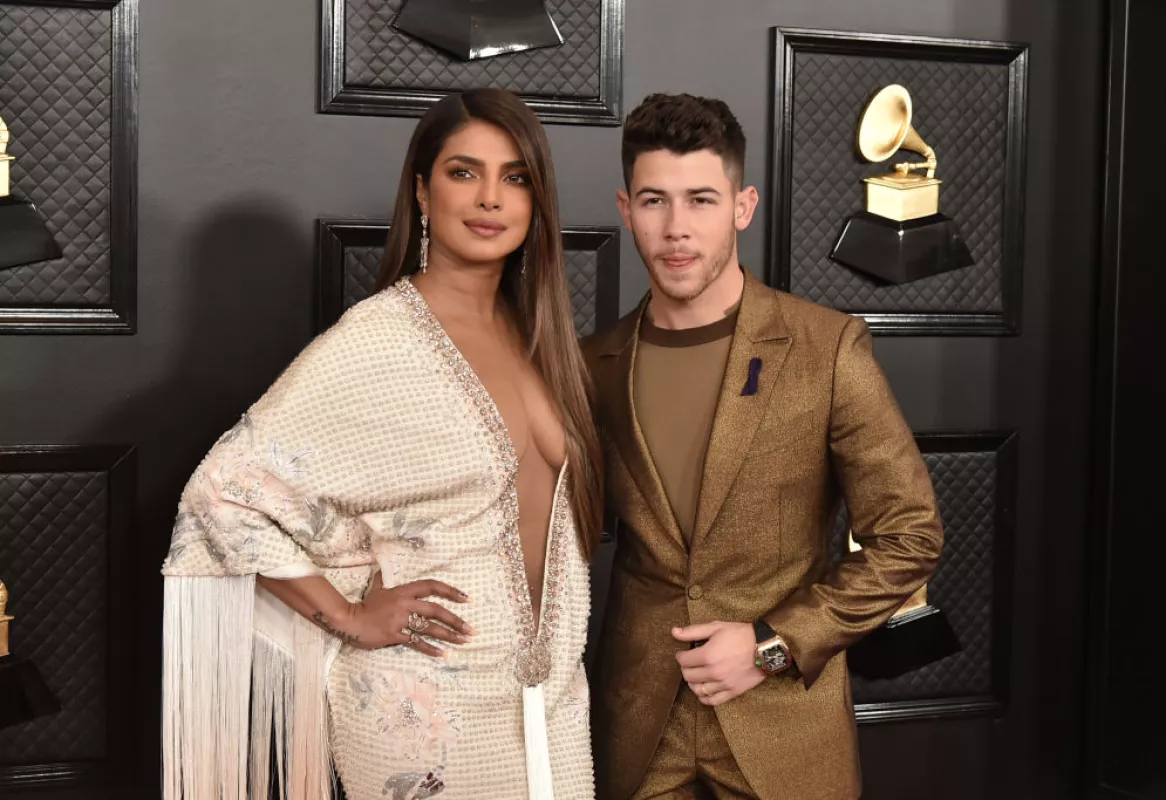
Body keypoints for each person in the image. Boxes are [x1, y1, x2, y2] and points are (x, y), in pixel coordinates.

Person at [161, 87, 603, 800]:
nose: (491, 197)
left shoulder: (539, 340)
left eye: (515, 176)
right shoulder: (378, 339)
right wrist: (349, 618)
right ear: (423, 193)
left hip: (551, 704)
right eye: (464, 173)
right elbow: (222, 494)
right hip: (426, 710)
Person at [582, 93, 944, 800]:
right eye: (655, 201)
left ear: (743, 207)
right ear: (627, 211)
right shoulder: (593, 363)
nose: (677, 228)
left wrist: (772, 645)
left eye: (702, 200)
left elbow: (910, 536)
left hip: (784, 726)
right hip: (639, 725)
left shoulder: (825, 347)